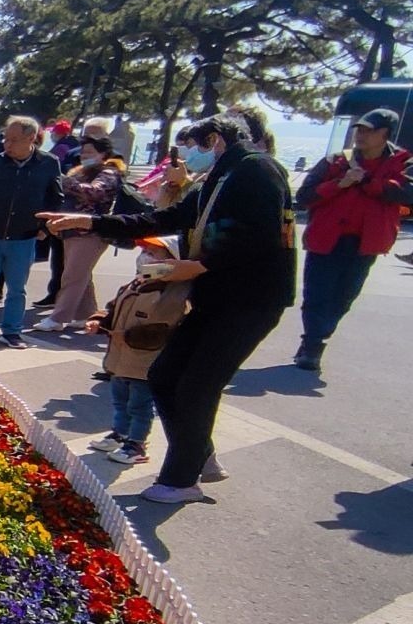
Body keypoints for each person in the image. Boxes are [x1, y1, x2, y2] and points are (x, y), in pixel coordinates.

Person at [42, 113, 295, 504]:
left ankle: (180, 480)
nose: (186, 154)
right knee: (164, 375)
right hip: (215, 296)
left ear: (215, 139)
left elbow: (258, 234)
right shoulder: (219, 175)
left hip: (250, 299)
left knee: (196, 385)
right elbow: (166, 217)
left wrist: (199, 265)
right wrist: (92, 222)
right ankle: (199, 453)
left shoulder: (257, 170)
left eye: (193, 144)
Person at [292, 108, 411, 370]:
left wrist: (369, 181)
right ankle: (312, 344)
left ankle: (319, 335)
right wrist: (340, 184)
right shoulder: (336, 160)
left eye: (369, 130)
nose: (361, 135)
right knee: (317, 294)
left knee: (345, 295)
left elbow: (407, 194)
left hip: (366, 244)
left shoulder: (404, 163)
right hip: (327, 239)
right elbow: (305, 197)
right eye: (359, 129)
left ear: (385, 134)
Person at [0, 115, 63, 349]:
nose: (7, 145)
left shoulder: (48, 163)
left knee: (17, 288)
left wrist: (45, 229)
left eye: (14, 140)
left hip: (24, 237)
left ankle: (11, 331)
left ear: (31, 139)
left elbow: (56, 198)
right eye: (5, 139)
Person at [85, 236, 185, 465]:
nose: (146, 255)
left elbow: (165, 330)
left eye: (154, 252)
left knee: (139, 406)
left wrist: (128, 336)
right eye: (146, 250)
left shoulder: (173, 292)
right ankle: (120, 434)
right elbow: (113, 308)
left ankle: (137, 444)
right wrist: (98, 321)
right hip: (120, 360)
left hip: (144, 363)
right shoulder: (136, 283)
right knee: (120, 401)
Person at [33, 135, 123, 332]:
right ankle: (85, 315)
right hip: (73, 231)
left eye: (90, 152)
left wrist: (66, 182)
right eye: (83, 152)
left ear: (103, 154)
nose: (84, 156)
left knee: (72, 275)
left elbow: (94, 192)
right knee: (81, 274)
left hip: (91, 232)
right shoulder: (82, 172)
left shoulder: (108, 173)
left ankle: (58, 318)